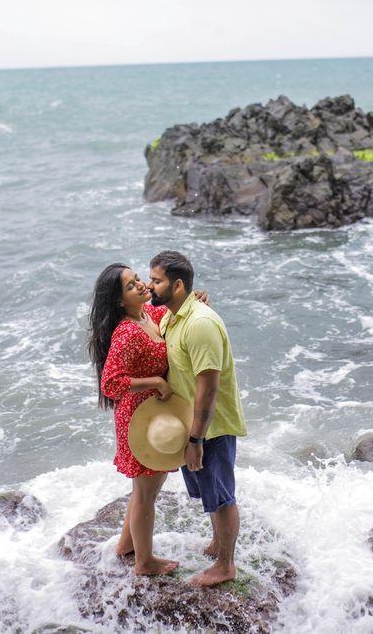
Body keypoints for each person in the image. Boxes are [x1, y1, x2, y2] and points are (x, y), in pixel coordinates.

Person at [87, 263, 210, 577]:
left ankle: (127, 545)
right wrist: (155, 381)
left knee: (145, 489)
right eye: (131, 286)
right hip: (140, 419)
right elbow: (110, 383)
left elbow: (174, 317)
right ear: (120, 301)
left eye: (138, 279)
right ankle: (144, 562)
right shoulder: (127, 333)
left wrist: (196, 301)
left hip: (155, 414)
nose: (141, 285)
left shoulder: (150, 316)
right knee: (146, 491)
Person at [147, 250, 248, 587]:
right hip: (192, 423)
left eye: (156, 280)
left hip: (210, 426)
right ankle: (218, 544)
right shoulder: (171, 316)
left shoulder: (199, 324)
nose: (150, 286)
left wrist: (196, 440)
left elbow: (208, 389)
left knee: (221, 496)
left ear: (177, 285)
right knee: (208, 490)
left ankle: (225, 565)